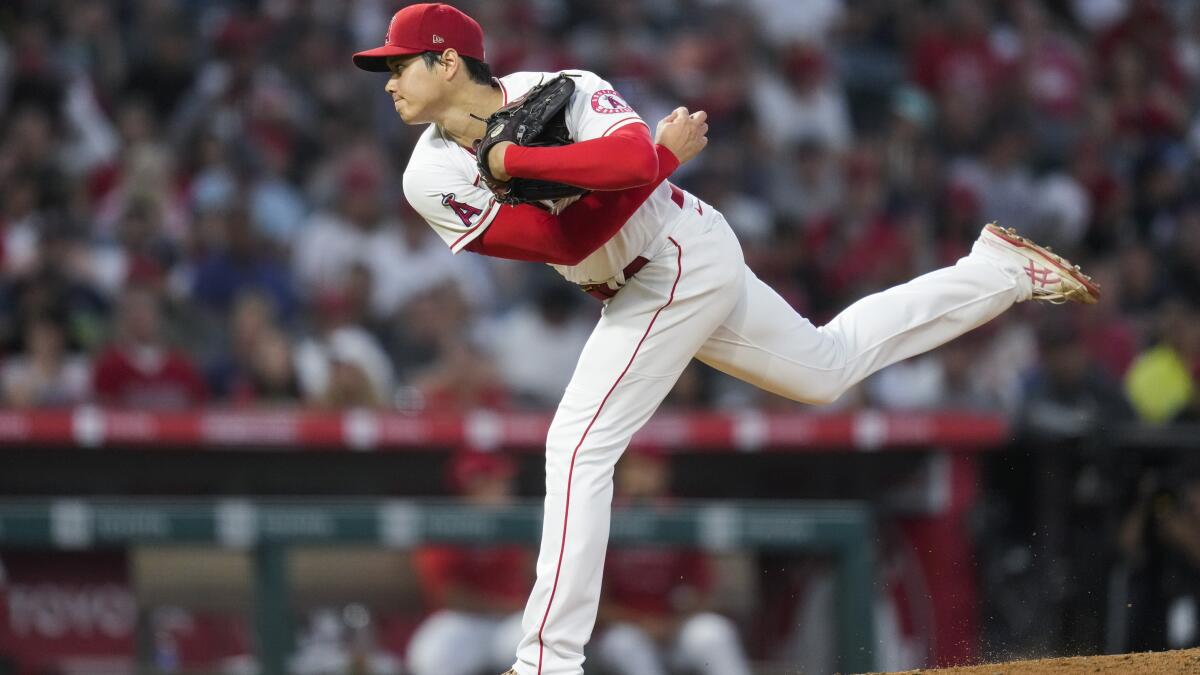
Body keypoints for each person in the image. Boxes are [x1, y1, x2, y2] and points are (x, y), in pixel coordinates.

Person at [352, 5, 1100, 674]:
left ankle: (547, 662)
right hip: (630, 271)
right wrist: (648, 160)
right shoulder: (429, 175)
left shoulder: (563, 84)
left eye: (398, 65)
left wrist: (531, 160)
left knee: (577, 443)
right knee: (824, 369)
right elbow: (563, 237)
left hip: (675, 250)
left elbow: (630, 163)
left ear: (448, 60)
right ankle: (996, 272)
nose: (387, 81)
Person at [595, 446, 753, 675]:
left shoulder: (678, 516)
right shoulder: (602, 517)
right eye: (634, 468)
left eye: (648, 468)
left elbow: (706, 590)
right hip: (624, 630)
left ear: (663, 473)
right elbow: (591, 603)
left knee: (714, 632)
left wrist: (673, 623)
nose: (640, 476)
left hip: (674, 628)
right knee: (626, 644)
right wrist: (641, 622)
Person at [406, 450, 533, 675]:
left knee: (532, 646)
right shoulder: (444, 527)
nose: (506, 489)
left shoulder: (518, 523)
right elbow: (448, 595)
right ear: (474, 486)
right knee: (431, 655)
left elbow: (534, 576)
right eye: (496, 482)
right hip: (467, 621)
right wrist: (505, 606)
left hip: (512, 621)